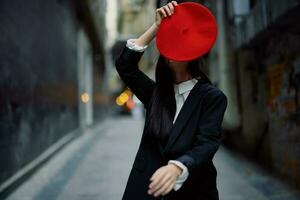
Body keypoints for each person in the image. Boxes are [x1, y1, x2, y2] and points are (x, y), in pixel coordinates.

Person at [115, 1, 228, 199]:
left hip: (193, 190)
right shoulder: (155, 94)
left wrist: (178, 167)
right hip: (147, 188)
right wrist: (157, 27)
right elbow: (126, 66)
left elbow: (207, 143)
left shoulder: (212, 98)